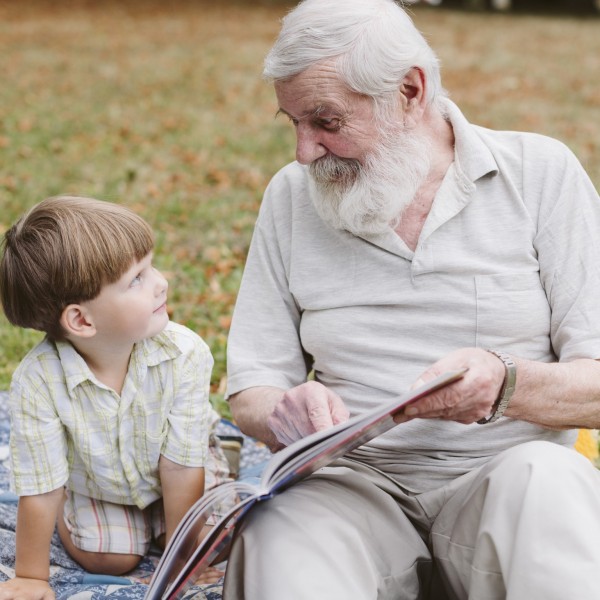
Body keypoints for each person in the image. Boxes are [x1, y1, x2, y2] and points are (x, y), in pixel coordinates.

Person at [223, 0, 600, 598]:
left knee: (550, 486)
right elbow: (252, 383)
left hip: (505, 481)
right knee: (280, 534)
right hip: (351, 487)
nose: (304, 151)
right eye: (292, 122)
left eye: (326, 121)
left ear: (409, 90)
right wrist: (281, 411)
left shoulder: (540, 173)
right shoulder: (294, 195)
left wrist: (507, 384)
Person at [0, 196, 230, 600]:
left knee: (216, 539)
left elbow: (180, 467)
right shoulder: (38, 381)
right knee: (108, 557)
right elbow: (41, 487)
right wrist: (32, 576)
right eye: (137, 278)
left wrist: (182, 560)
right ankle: (100, 517)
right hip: (103, 483)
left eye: (150, 266)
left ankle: (216, 466)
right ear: (82, 320)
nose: (161, 281)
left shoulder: (184, 353)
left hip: (180, 469)